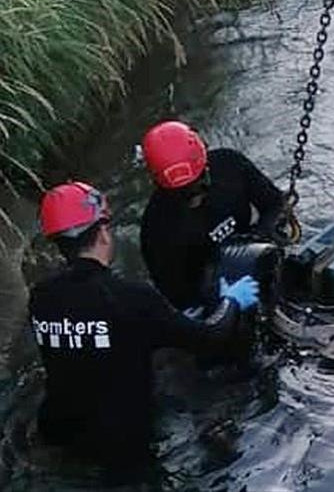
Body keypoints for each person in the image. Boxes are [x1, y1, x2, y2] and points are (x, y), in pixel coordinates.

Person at [28, 181, 260, 482]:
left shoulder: (41, 296)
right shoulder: (133, 298)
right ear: (102, 232)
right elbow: (210, 337)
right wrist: (231, 301)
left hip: (58, 432)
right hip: (122, 445)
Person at [139, 120, 286, 312]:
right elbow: (178, 296)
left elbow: (274, 204)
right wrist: (221, 300)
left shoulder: (229, 165)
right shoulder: (157, 229)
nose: (195, 198)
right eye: (184, 194)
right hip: (212, 289)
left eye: (199, 187)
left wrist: (259, 239)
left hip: (254, 251)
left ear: (206, 167)